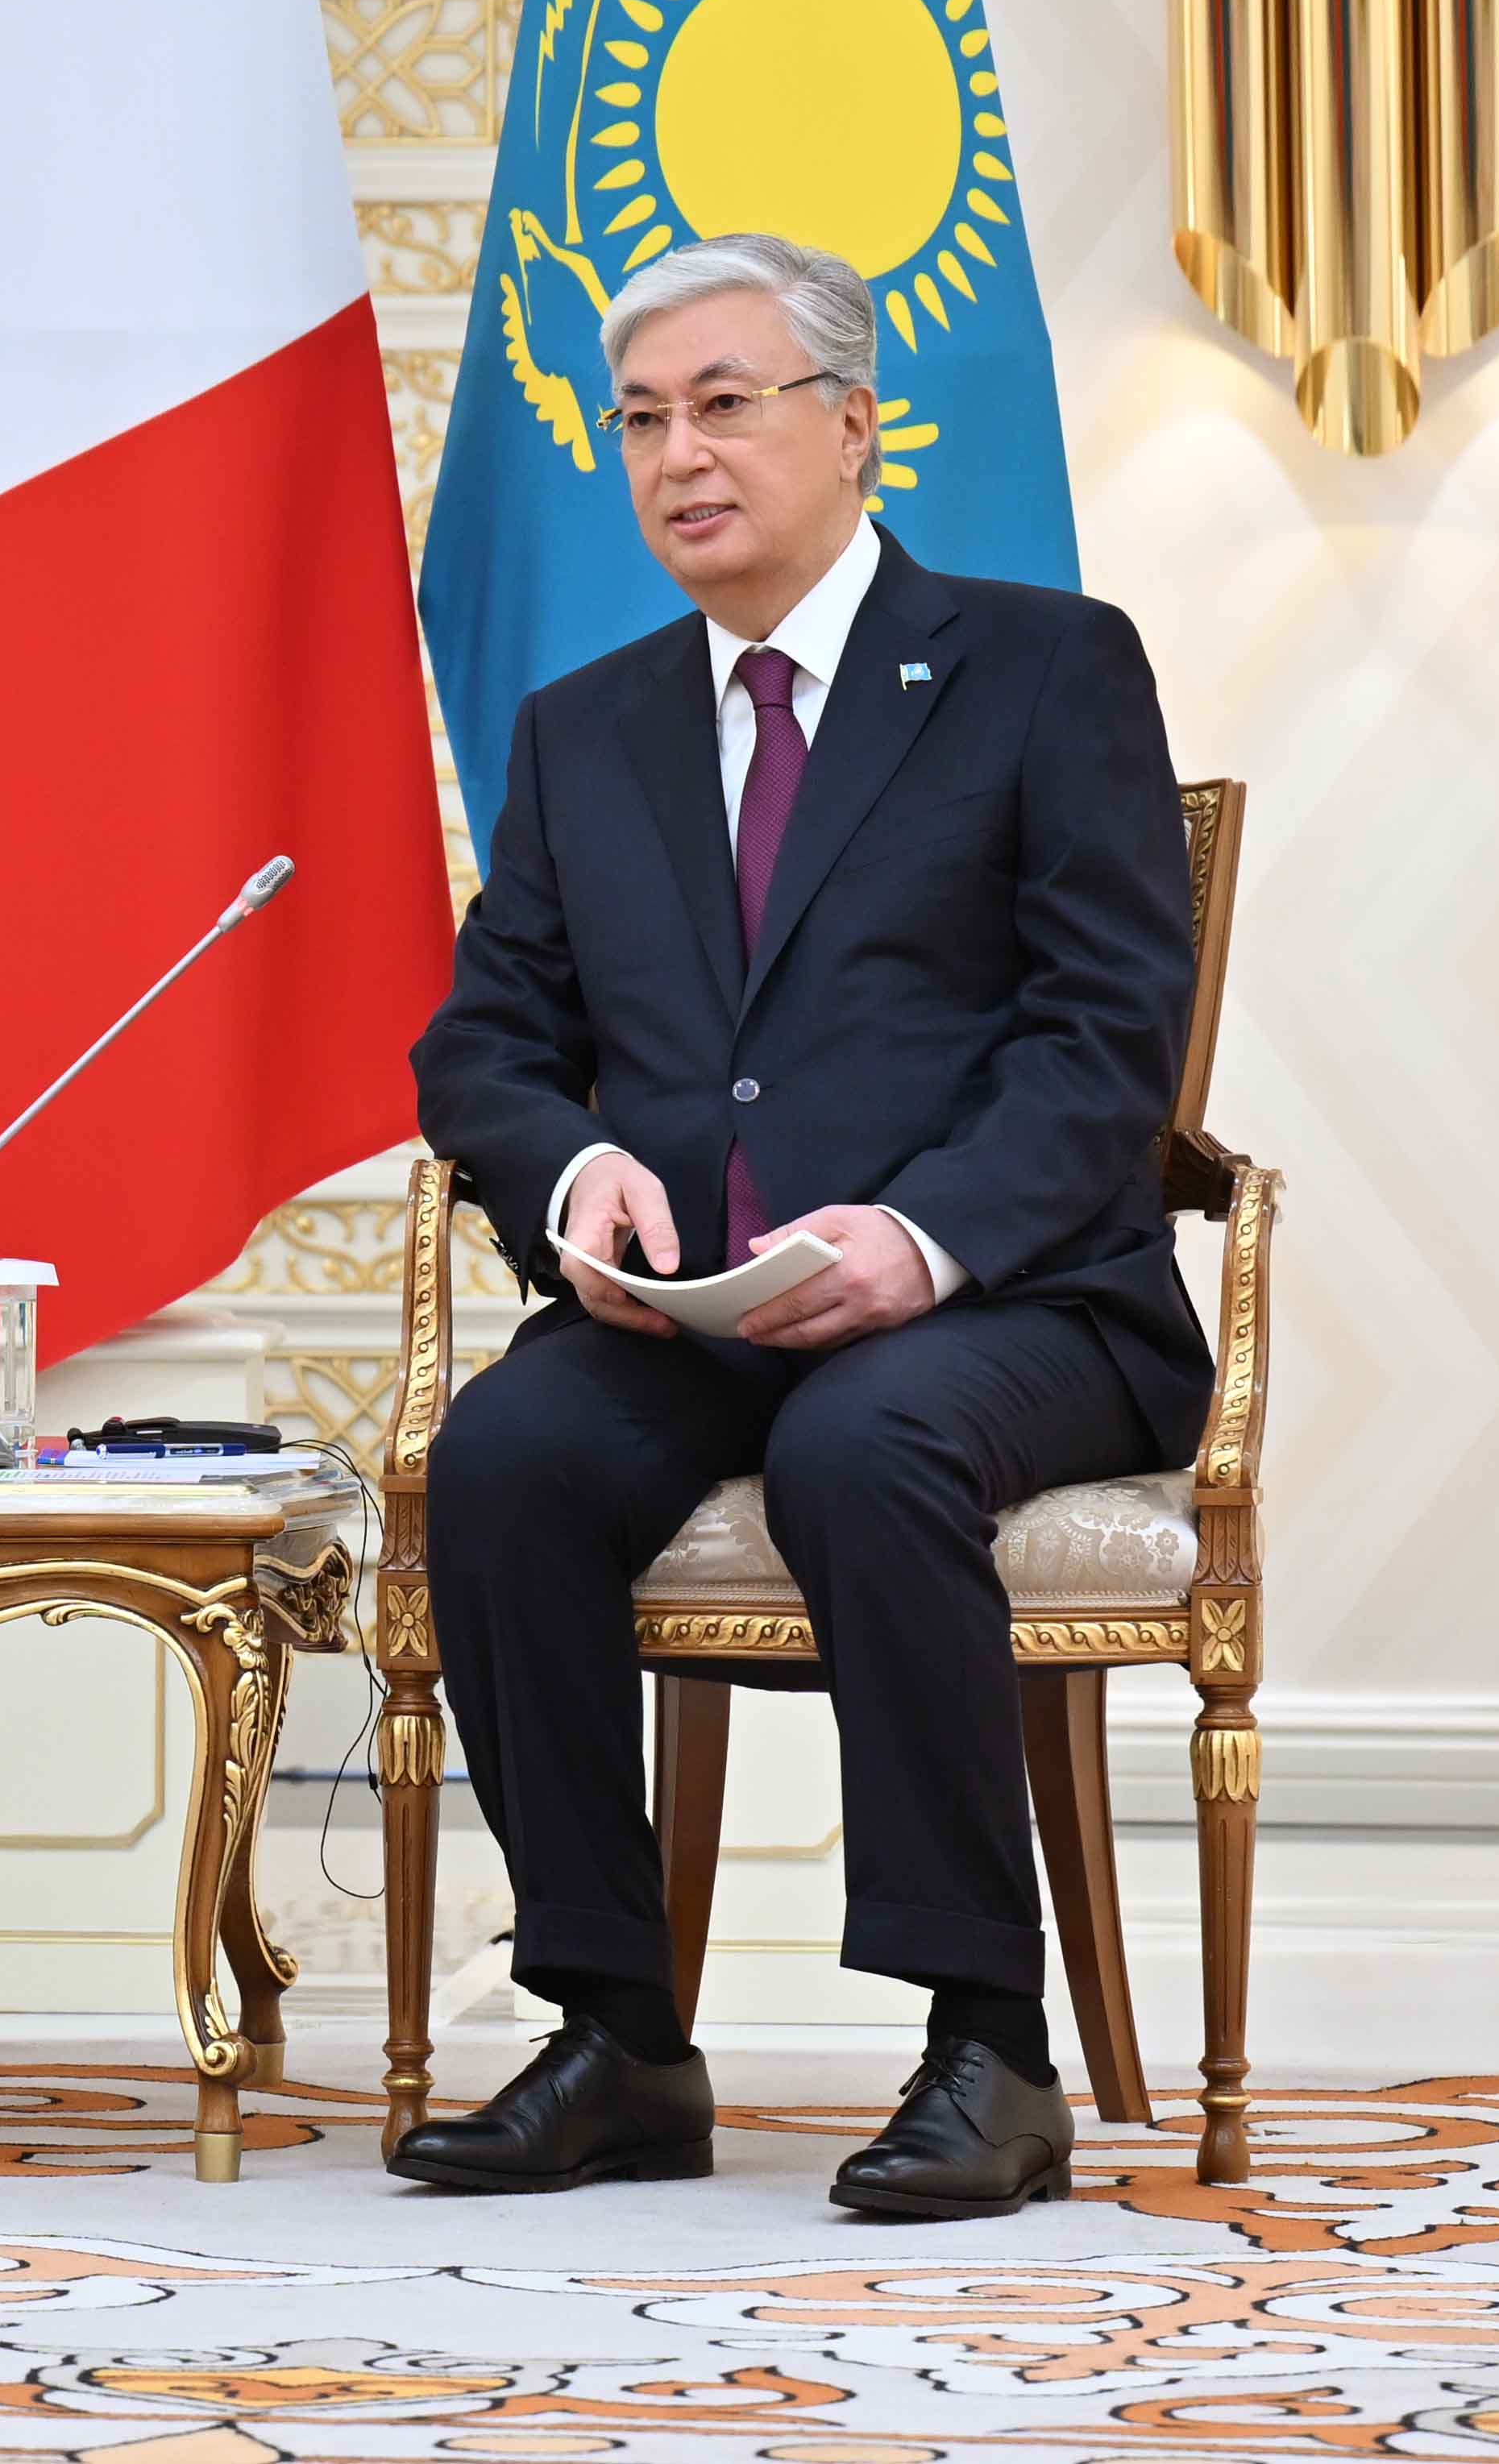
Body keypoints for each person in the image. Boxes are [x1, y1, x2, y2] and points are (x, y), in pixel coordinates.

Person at [393, 231, 1202, 2218]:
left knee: (867, 1435)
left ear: (850, 425)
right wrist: (566, 1171)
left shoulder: (1040, 666)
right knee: (502, 1450)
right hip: (695, 1313)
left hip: (1013, 1301)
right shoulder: (584, 729)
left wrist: (919, 1239)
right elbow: (481, 1042)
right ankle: (612, 2033)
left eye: (723, 404)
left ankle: (983, 2044)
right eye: (639, 420)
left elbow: (1105, 1035)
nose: (677, 454)